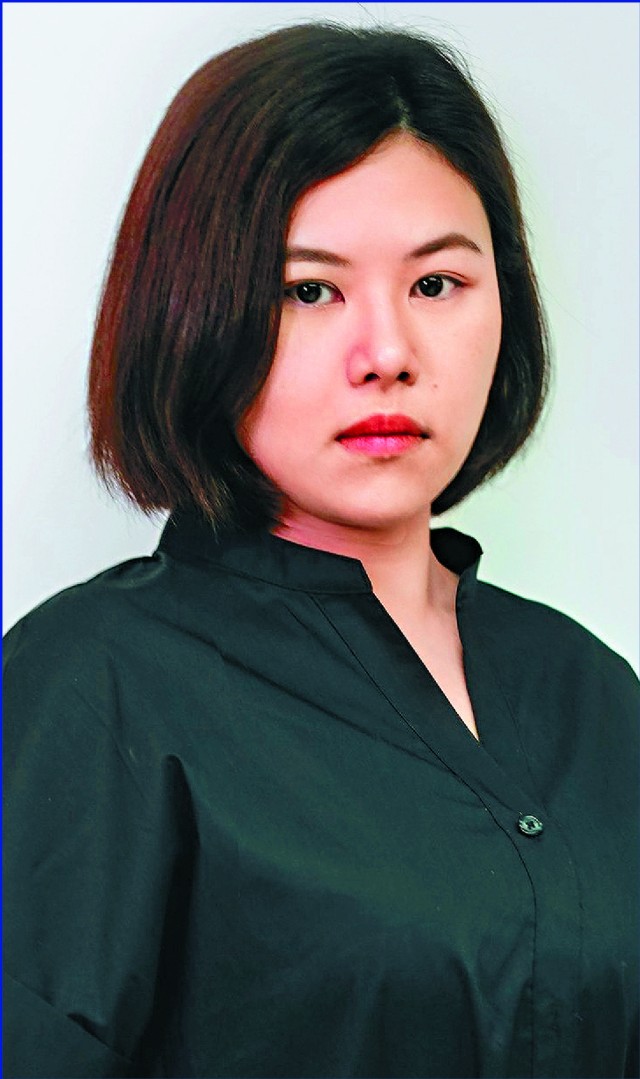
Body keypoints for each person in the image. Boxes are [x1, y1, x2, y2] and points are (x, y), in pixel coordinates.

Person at [3, 21, 638, 1079]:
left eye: (436, 285)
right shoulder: (93, 686)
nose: (387, 354)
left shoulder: (593, 693)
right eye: (308, 290)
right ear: (193, 312)